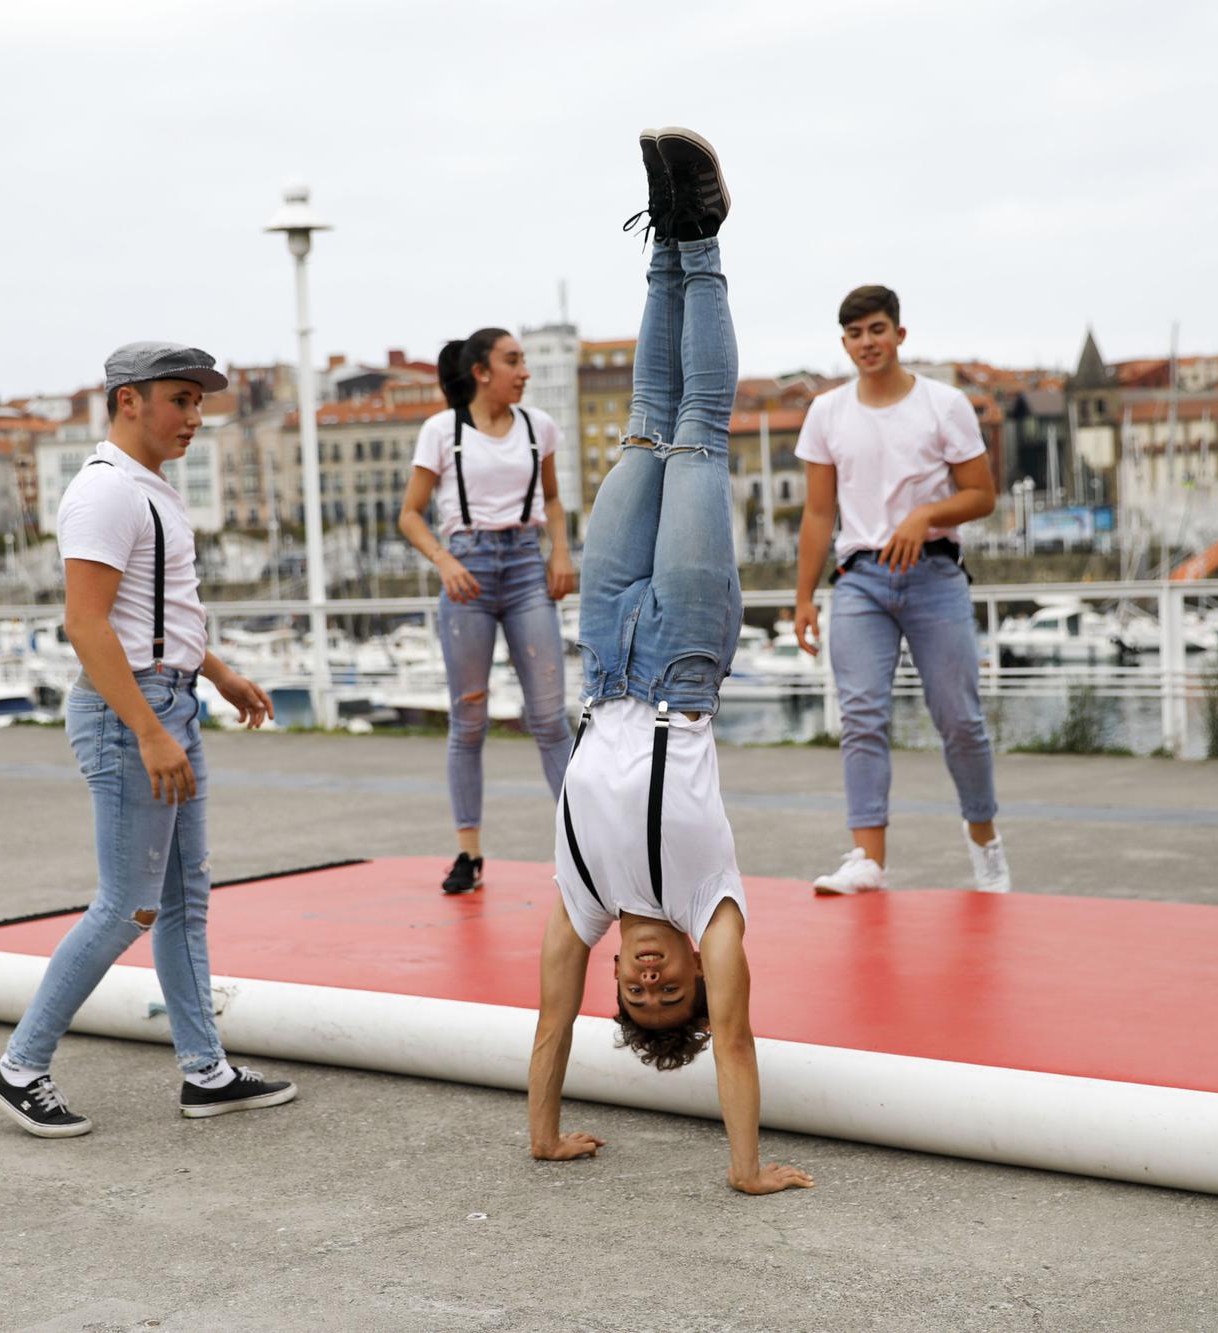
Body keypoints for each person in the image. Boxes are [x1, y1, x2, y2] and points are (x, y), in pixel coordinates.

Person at [526, 127, 813, 1196]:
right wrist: (744, 1167)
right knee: (697, 429)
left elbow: (551, 1026)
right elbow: (733, 1045)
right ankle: (704, 247)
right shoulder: (713, 912)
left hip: (604, 653)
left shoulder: (580, 903)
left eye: (634, 991)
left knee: (643, 427)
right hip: (685, 657)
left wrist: (545, 1135)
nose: (647, 977)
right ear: (696, 976)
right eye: (666, 992)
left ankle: (666, 234)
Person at [0, 342, 299, 1137]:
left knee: (184, 903)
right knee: (127, 903)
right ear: (129, 400)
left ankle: (206, 1071)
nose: (194, 416)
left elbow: (154, 617)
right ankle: (20, 1065)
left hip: (170, 701)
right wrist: (150, 729)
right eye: (179, 399)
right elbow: (86, 626)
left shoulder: (150, 489)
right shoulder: (106, 493)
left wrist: (216, 674)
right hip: (133, 714)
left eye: (199, 401)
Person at [789, 286, 1009, 896]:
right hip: (860, 580)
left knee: (960, 719)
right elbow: (816, 513)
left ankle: (985, 841)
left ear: (900, 334)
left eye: (878, 330)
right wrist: (804, 596)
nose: (868, 343)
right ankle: (867, 857)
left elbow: (982, 495)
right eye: (856, 334)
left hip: (935, 576)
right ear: (844, 343)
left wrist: (923, 518)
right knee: (861, 716)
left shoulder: (944, 405)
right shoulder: (827, 413)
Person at [398, 330, 576, 894]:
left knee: (549, 717)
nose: (523, 372)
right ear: (481, 371)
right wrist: (444, 562)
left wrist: (562, 553)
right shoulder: (441, 432)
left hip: (525, 564)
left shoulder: (538, 427)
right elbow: (410, 514)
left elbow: (551, 499)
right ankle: (468, 854)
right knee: (468, 721)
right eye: (513, 361)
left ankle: (584, 847)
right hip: (467, 569)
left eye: (522, 360)